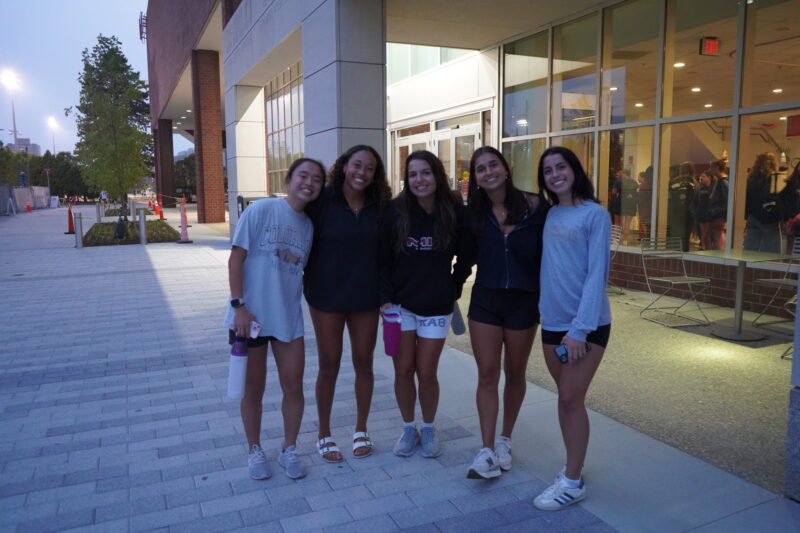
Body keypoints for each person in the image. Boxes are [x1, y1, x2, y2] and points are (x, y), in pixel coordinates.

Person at [226, 158, 325, 480]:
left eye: (316, 179)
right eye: (303, 176)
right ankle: (254, 449)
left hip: (287, 318)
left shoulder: (309, 227)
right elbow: (236, 258)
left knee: (293, 385)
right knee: (253, 389)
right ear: (289, 180)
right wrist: (238, 306)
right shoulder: (262, 210)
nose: (308, 183)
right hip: (249, 318)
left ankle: (289, 448)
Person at [534, 146, 612, 511]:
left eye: (560, 167)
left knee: (569, 398)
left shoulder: (595, 214)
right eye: (548, 170)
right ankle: (572, 466)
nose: (555, 175)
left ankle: (572, 482)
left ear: (574, 169)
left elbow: (598, 274)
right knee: (567, 400)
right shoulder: (550, 214)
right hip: (552, 323)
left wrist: (580, 329)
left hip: (586, 325)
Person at [463, 146, 548, 479]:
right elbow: (461, 255)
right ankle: (486, 450)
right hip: (486, 300)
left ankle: (504, 441)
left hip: (523, 302)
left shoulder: (535, 206)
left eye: (493, 165)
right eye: (481, 168)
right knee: (487, 373)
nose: (489, 172)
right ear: (476, 178)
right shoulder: (473, 214)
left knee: (514, 373)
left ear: (505, 167)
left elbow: (553, 251)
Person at [379, 150, 471, 458]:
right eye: (413, 174)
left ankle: (429, 428)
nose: (420, 179)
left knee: (426, 371)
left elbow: (467, 254)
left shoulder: (453, 209)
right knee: (404, 370)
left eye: (426, 173)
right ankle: (409, 428)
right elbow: (382, 261)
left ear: (437, 175)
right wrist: (385, 299)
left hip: (436, 305)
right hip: (399, 306)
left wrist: (454, 285)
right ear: (407, 179)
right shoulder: (395, 212)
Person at [304, 145, 392, 462]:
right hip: (326, 297)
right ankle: (324, 433)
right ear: (344, 166)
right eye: (357, 165)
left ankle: (361, 429)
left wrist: (386, 297)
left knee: (363, 362)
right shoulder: (322, 200)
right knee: (329, 364)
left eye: (369, 168)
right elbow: (297, 231)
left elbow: (385, 258)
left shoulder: (379, 206)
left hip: (365, 298)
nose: (362, 173)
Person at [744, 152, 781, 252]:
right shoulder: (775, 178)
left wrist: (747, 216)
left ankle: (749, 263)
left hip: (753, 216)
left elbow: (747, 199)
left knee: (750, 249)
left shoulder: (751, 179)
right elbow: (777, 198)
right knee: (770, 251)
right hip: (769, 218)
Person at [610, 168, 638, 244]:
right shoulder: (634, 182)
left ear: (624, 173)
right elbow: (635, 192)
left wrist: (617, 193)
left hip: (620, 202)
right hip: (630, 204)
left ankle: (615, 240)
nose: (620, 174)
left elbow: (613, 192)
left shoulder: (619, 181)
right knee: (627, 223)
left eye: (622, 173)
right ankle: (625, 241)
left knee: (617, 222)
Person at [778, 162, 800, 251]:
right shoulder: (790, 183)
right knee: (790, 245)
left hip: (795, 218)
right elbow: (783, 201)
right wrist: (786, 220)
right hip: (791, 219)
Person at [636, 167, 653, 239]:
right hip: (651, 209)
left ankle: (645, 238)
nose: (638, 178)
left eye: (638, 176)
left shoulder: (644, 185)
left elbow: (641, 199)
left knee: (645, 225)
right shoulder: (654, 184)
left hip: (644, 209)